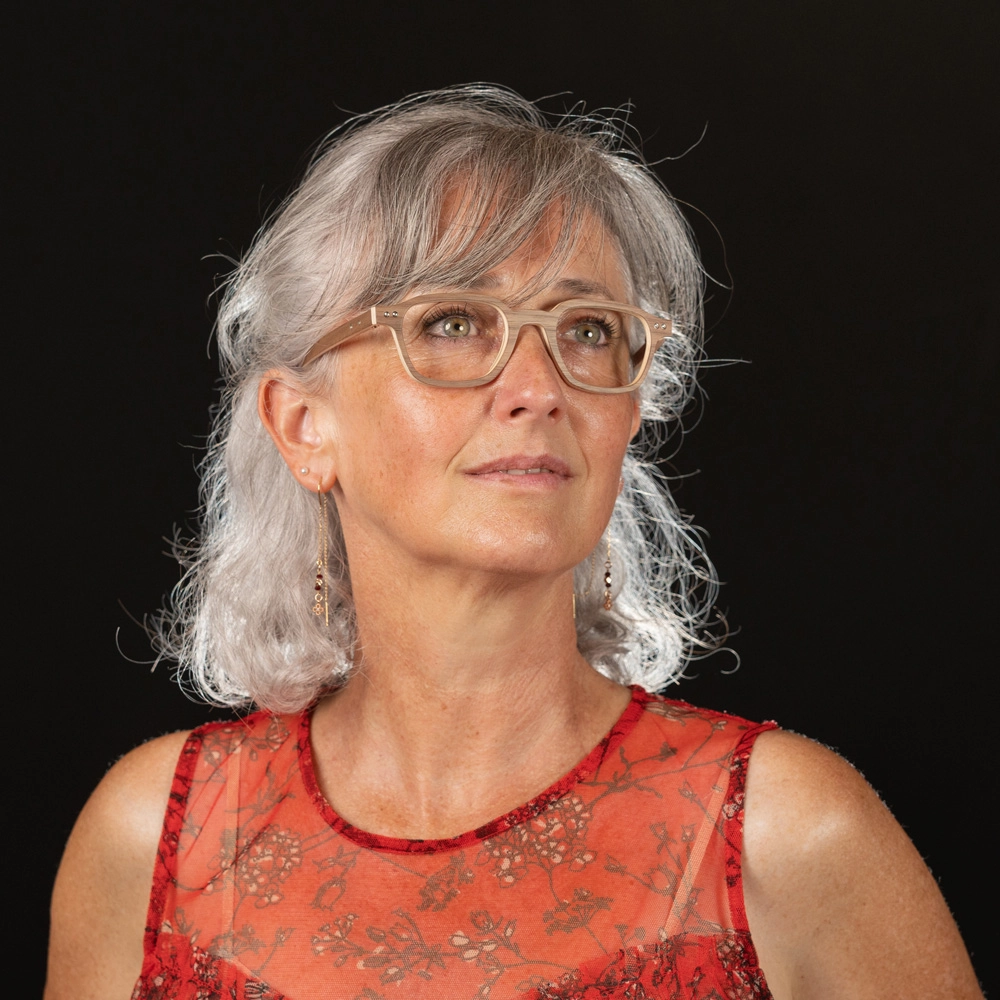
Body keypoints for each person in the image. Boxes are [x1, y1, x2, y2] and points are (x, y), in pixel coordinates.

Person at [45, 86, 981, 1000]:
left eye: (587, 330)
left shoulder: (791, 838)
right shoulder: (154, 840)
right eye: (452, 324)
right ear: (301, 425)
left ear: (630, 413)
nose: (538, 389)